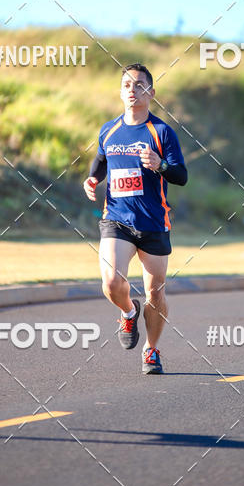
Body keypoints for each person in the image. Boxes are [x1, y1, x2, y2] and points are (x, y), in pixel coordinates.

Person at [83, 63, 188, 374]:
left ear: (151, 93)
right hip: (116, 219)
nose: (133, 90)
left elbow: (181, 175)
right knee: (112, 281)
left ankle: (151, 350)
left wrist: (160, 165)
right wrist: (92, 180)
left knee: (156, 292)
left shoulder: (162, 132)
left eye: (139, 85)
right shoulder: (109, 130)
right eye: (127, 85)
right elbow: (101, 161)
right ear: (120, 92)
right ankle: (128, 312)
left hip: (154, 222)